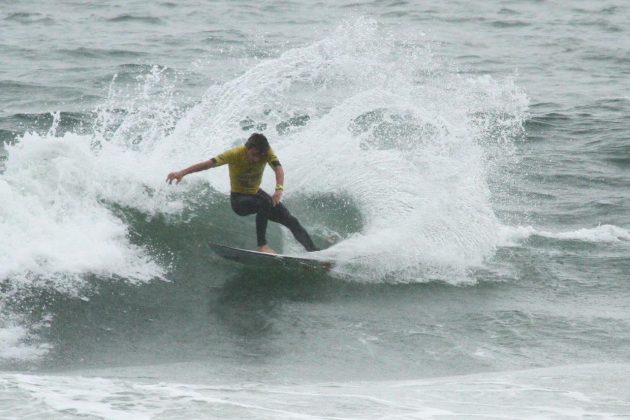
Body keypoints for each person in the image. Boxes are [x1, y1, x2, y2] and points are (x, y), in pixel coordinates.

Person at [166, 133, 319, 254]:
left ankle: (314, 253)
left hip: (256, 194)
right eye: (253, 154)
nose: (256, 159)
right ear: (247, 148)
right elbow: (208, 164)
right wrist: (182, 172)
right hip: (239, 200)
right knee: (263, 203)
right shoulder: (234, 153)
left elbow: (278, 168)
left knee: (291, 220)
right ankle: (262, 245)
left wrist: (279, 189)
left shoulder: (266, 152)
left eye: (260, 156)